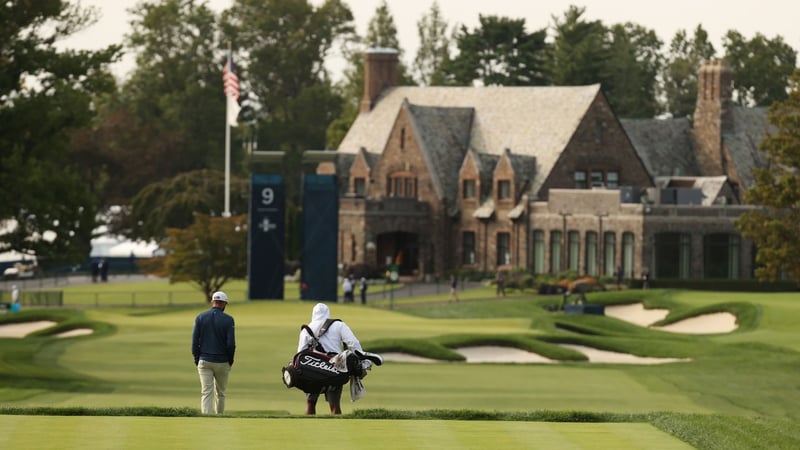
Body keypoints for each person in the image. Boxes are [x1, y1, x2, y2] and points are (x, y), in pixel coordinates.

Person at [297, 303, 381, 415]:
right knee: (335, 404)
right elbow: (353, 343)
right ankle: (336, 426)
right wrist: (361, 360)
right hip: (335, 368)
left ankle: (309, 428)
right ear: (328, 313)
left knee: (310, 402)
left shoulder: (306, 330)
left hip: (314, 369)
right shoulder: (338, 325)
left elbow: (300, 353)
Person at [192, 291, 236, 415]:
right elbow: (231, 344)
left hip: (204, 360)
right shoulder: (229, 320)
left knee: (206, 392)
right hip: (222, 362)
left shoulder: (200, 317)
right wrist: (230, 360)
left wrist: (197, 358)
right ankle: (219, 416)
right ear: (224, 304)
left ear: (212, 302)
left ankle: (207, 418)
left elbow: (195, 342)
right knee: (220, 393)